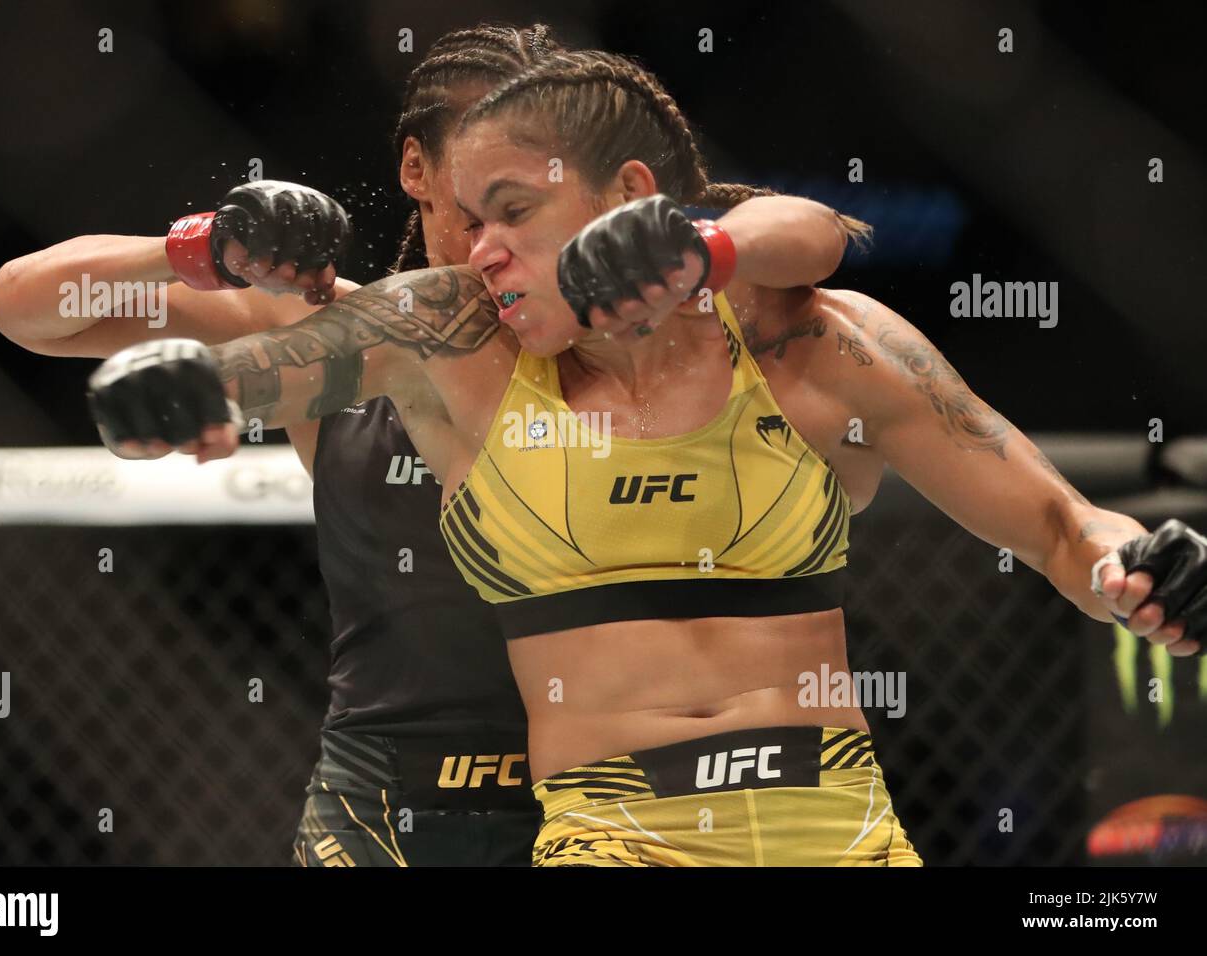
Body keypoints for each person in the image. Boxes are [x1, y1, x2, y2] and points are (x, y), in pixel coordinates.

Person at [89, 49, 1207, 867]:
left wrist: (1139, 566)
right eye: (470, 217)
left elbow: (1062, 524)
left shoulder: (810, 345)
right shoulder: (454, 344)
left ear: (627, 199)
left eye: (512, 211)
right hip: (608, 837)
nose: (479, 249)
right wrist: (195, 380)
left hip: (842, 829)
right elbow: (297, 357)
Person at [0, 32, 854, 865]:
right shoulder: (336, 334)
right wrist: (201, 247)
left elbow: (804, 232)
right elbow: (21, 309)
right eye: (477, 166)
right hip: (388, 807)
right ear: (417, 168)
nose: (500, 197)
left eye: (532, 171)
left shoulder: (661, 333)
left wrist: (706, 247)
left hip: (618, 799)